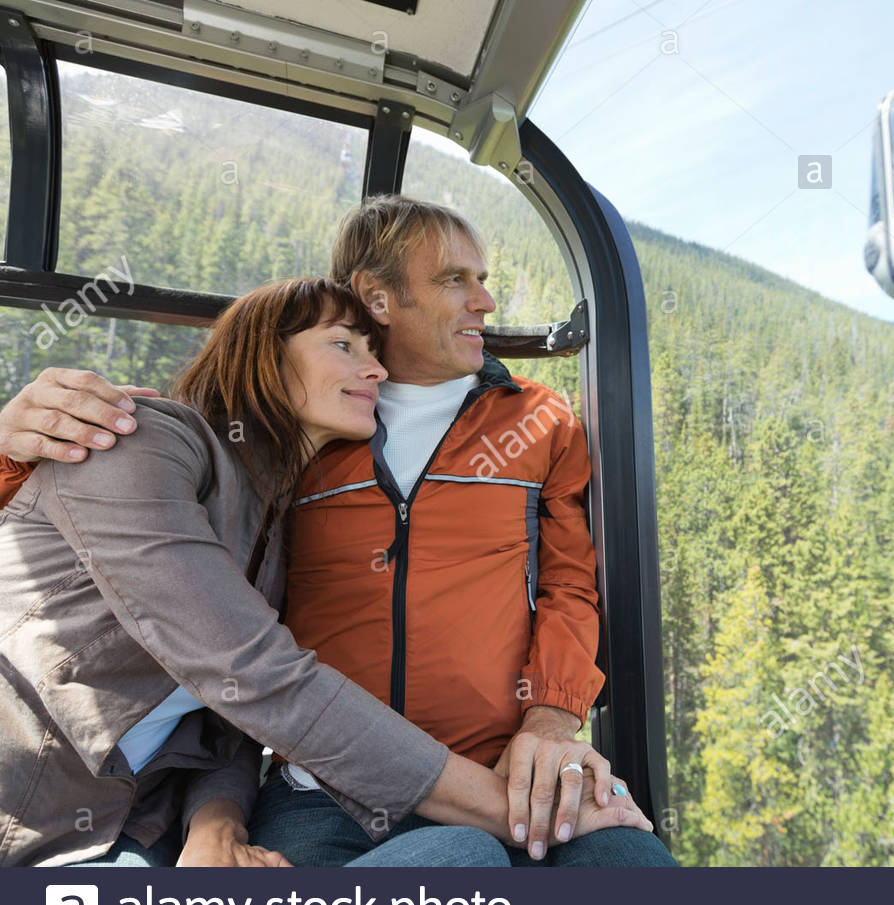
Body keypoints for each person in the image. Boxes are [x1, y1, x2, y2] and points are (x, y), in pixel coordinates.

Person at [0, 197, 677, 868]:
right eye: (453, 278)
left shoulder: (532, 423)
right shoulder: (203, 444)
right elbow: (244, 667)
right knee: (459, 857)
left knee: (618, 869)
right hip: (280, 797)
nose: (485, 302)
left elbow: (569, 583)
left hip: (151, 819)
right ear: (376, 297)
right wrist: (10, 460)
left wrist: (551, 722)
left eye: (485, 278)